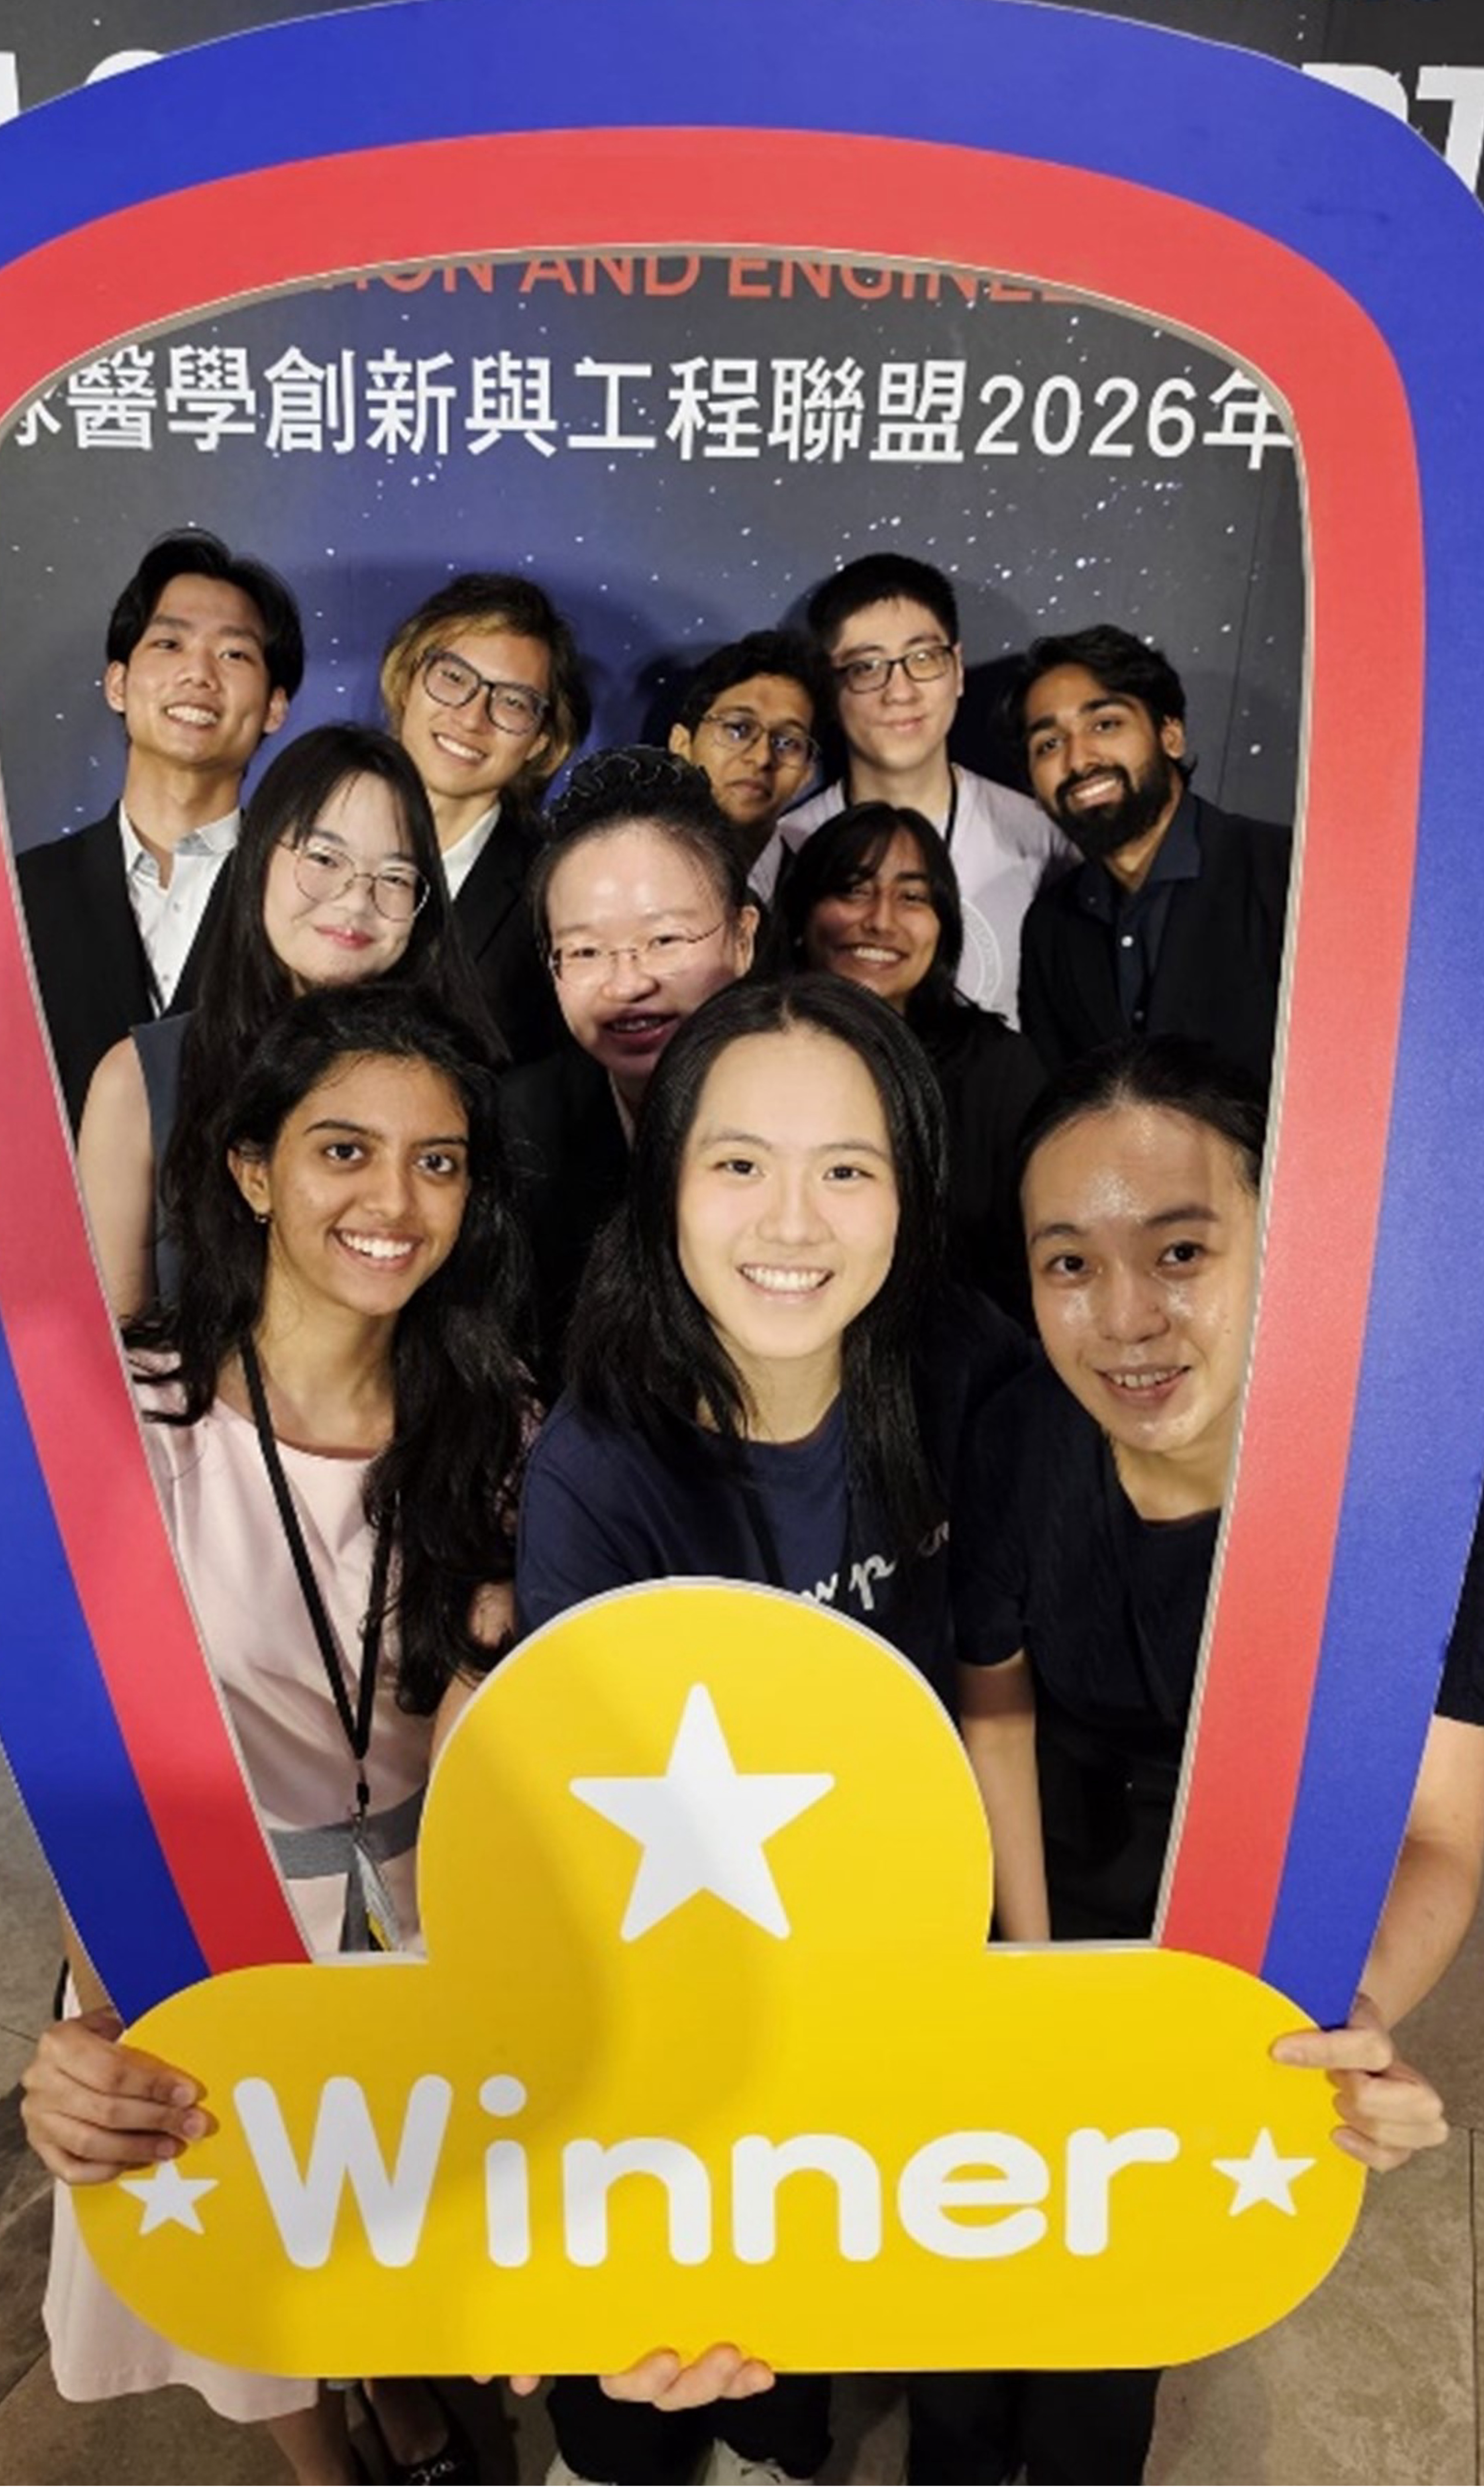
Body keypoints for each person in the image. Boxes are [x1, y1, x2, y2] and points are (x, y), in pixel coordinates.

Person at [941, 1035, 1484, 2486]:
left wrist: (1341, 2015)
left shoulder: (1413, 1476)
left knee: (1117, 2292)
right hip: (1046, 1846)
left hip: (1258, 1886)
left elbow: (1437, 1835)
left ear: (1287, 1240)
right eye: (1069, 1265)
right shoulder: (1019, 1436)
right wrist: (1031, 1975)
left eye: (1182, 1250)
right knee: (968, 2268)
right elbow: (996, 1714)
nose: (1126, 1317)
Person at [517, 974, 1030, 2487]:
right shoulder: (598, 1469)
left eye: (847, 1170)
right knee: (634, 2401)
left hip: (888, 1951)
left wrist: (1026, 1990)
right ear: (667, 1180)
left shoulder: (963, 1372)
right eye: (739, 1163)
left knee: (787, 2384)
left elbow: (992, 1692)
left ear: (910, 1192)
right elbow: (580, 1848)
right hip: (678, 1990)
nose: (793, 1223)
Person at [20, 984, 531, 2486]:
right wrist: (109, 2008)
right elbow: (89, 1765)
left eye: (439, 1163)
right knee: (239, 2256)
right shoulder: (130, 1419)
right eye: (344, 1151)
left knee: (389, 2224)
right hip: (209, 1916)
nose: (394, 1202)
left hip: (433, 1910)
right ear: (253, 1170)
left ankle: (404, 2391)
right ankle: (327, 2462)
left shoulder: (498, 1424)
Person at [76, 721, 479, 1319]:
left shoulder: (456, 1084)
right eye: (324, 858)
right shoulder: (140, 1080)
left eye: (394, 878)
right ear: (259, 856)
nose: (355, 900)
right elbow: (109, 1338)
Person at [17, 529, 305, 1129]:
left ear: (275, 707)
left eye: (234, 655)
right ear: (117, 684)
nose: (198, 674)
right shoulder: (22, 893)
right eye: (170, 644)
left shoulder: (308, 900)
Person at [501, 748, 762, 1391]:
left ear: (742, 938)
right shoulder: (518, 1125)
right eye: (585, 950)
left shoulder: (827, 1110)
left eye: (664, 940)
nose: (627, 983)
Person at [778, 554, 1070, 1023]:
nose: (900, 692)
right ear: (828, 690)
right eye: (866, 667)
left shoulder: (1044, 840)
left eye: (922, 659)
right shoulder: (787, 849)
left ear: (957, 670)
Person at [784, 804, 1044, 1320]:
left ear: (942, 927)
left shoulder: (999, 1069)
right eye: (852, 890)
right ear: (802, 916)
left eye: (911, 898)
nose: (880, 921)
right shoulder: (743, 1059)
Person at [1007, 626, 1292, 1090]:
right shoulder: (1050, 926)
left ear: (1170, 735)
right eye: (1049, 745)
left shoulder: (1284, 874)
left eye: (1104, 725)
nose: (1078, 761)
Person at [380, 571, 589, 1065]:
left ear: (540, 741)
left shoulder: (556, 894)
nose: (472, 718)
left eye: (513, 702)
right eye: (453, 678)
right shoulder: (305, 840)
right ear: (407, 681)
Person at [664, 630, 834, 907]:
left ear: (807, 773)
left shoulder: (823, 904)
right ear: (682, 744)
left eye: (788, 742)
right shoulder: (619, 872)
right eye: (739, 730)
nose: (762, 758)